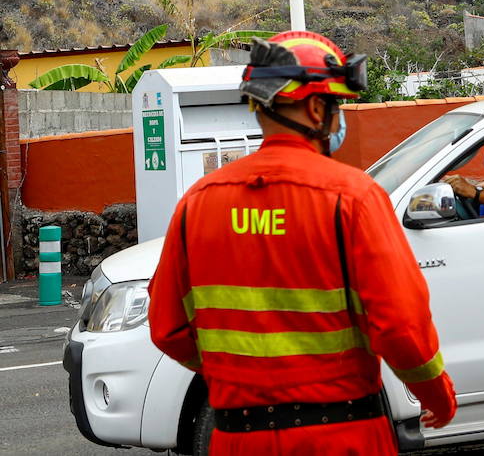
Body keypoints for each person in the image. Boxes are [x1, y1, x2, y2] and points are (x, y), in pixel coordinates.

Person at [147, 31, 457, 455]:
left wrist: (241, 375)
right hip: (340, 435)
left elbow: (168, 329)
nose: (338, 118)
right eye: (337, 106)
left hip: (236, 440)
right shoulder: (352, 197)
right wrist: (435, 394)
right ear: (315, 108)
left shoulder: (197, 204)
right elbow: (401, 326)